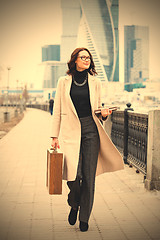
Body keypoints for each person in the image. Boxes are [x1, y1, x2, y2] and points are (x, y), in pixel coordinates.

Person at [51, 47, 124, 232]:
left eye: (89, 58)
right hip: (70, 132)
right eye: (83, 57)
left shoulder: (95, 82)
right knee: (73, 175)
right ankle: (74, 203)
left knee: (89, 177)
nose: (87, 60)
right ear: (74, 59)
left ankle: (84, 218)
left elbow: (98, 110)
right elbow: (57, 110)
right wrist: (54, 136)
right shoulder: (63, 82)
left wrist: (105, 114)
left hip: (91, 130)